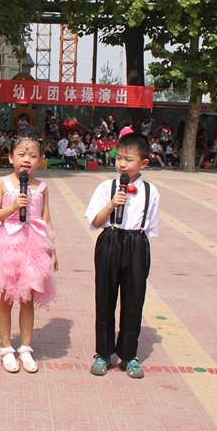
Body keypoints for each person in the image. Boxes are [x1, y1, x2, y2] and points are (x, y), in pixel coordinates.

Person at [85, 133, 160, 379]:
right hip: (110, 239)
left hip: (136, 243)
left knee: (134, 300)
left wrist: (137, 245)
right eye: (119, 158)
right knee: (104, 297)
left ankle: (129, 354)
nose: (122, 164)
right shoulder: (106, 187)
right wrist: (111, 204)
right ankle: (103, 352)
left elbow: (150, 227)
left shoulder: (151, 192)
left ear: (143, 163)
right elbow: (95, 221)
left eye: (128, 159)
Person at [0, 129, 57, 373]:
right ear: (11, 156)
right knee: (5, 298)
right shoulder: (2, 183)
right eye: (22, 154)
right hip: (8, 245)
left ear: (40, 160)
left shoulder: (42, 187)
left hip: (34, 245)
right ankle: (6, 347)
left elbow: (46, 218)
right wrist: (13, 207)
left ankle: (25, 347)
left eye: (33, 155)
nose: (27, 159)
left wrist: (52, 249)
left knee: (27, 299)